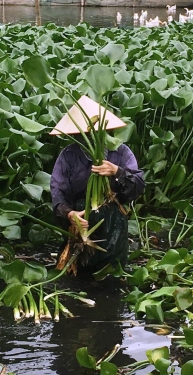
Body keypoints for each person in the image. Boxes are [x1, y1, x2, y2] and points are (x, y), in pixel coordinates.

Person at [50, 96, 145, 274]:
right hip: (81, 221)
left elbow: (138, 186)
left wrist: (117, 171)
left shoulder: (121, 151)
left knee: (112, 275)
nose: (90, 137)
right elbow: (57, 192)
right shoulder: (68, 155)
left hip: (113, 218)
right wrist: (69, 214)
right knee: (76, 274)